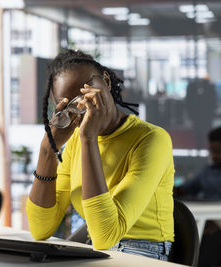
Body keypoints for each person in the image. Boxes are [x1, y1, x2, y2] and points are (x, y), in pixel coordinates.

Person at [26, 50, 174, 261]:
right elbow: (40, 229)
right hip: (98, 249)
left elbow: (107, 234)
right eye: (70, 105)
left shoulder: (152, 140)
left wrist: (89, 138)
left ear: (106, 81)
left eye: (85, 94)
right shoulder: (77, 140)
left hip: (144, 251)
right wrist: (48, 149)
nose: (82, 107)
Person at [175, 126, 221, 200]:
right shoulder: (207, 172)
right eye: (212, 151)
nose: (214, 155)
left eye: (218, 151)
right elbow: (183, 190)